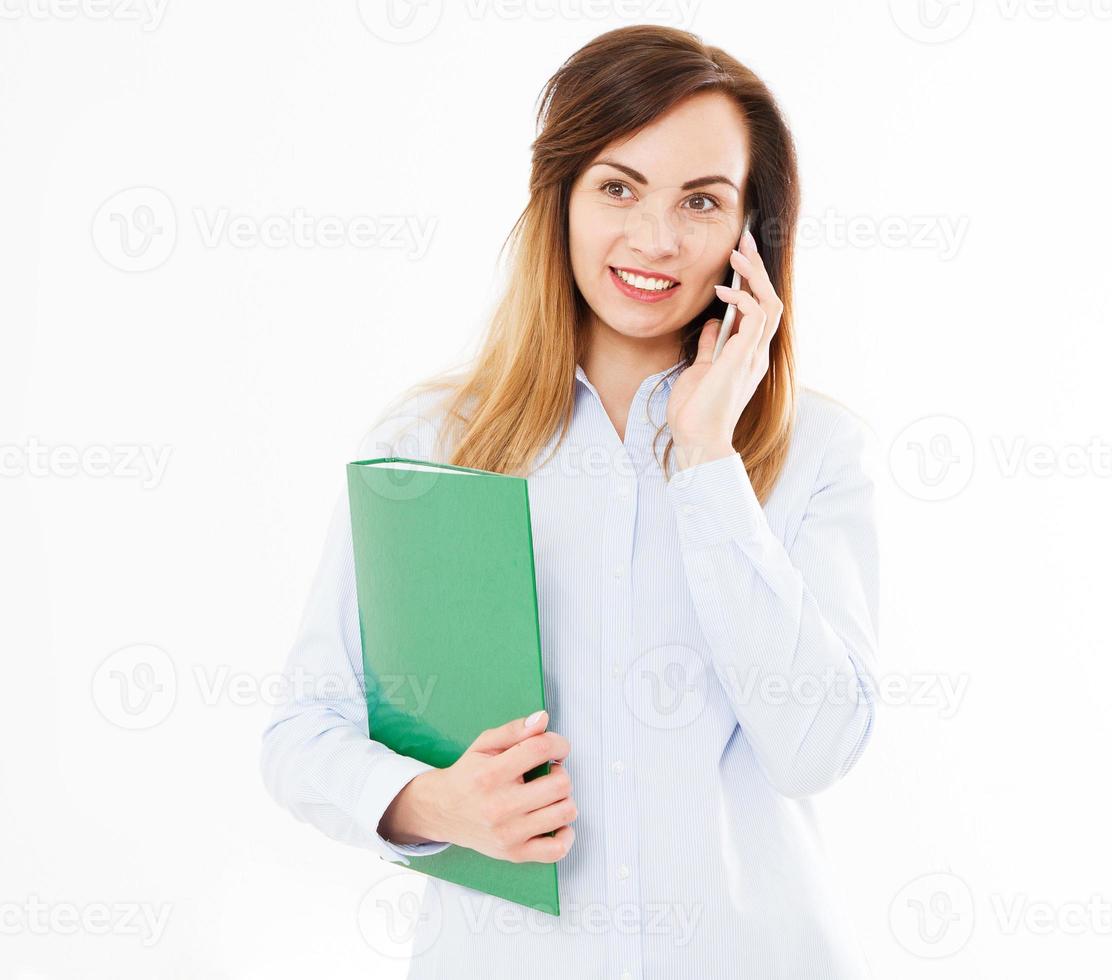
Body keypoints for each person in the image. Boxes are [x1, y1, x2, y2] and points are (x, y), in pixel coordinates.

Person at [260, 24, 881, 980]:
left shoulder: (818, 452)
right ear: (560, 199)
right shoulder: (430, 444)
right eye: (619, 187)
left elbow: (817, 750)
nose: (656, 239)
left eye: (702, 201)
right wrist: (432, 803)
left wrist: (708, 459)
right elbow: (305, 731)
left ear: (750, 237)